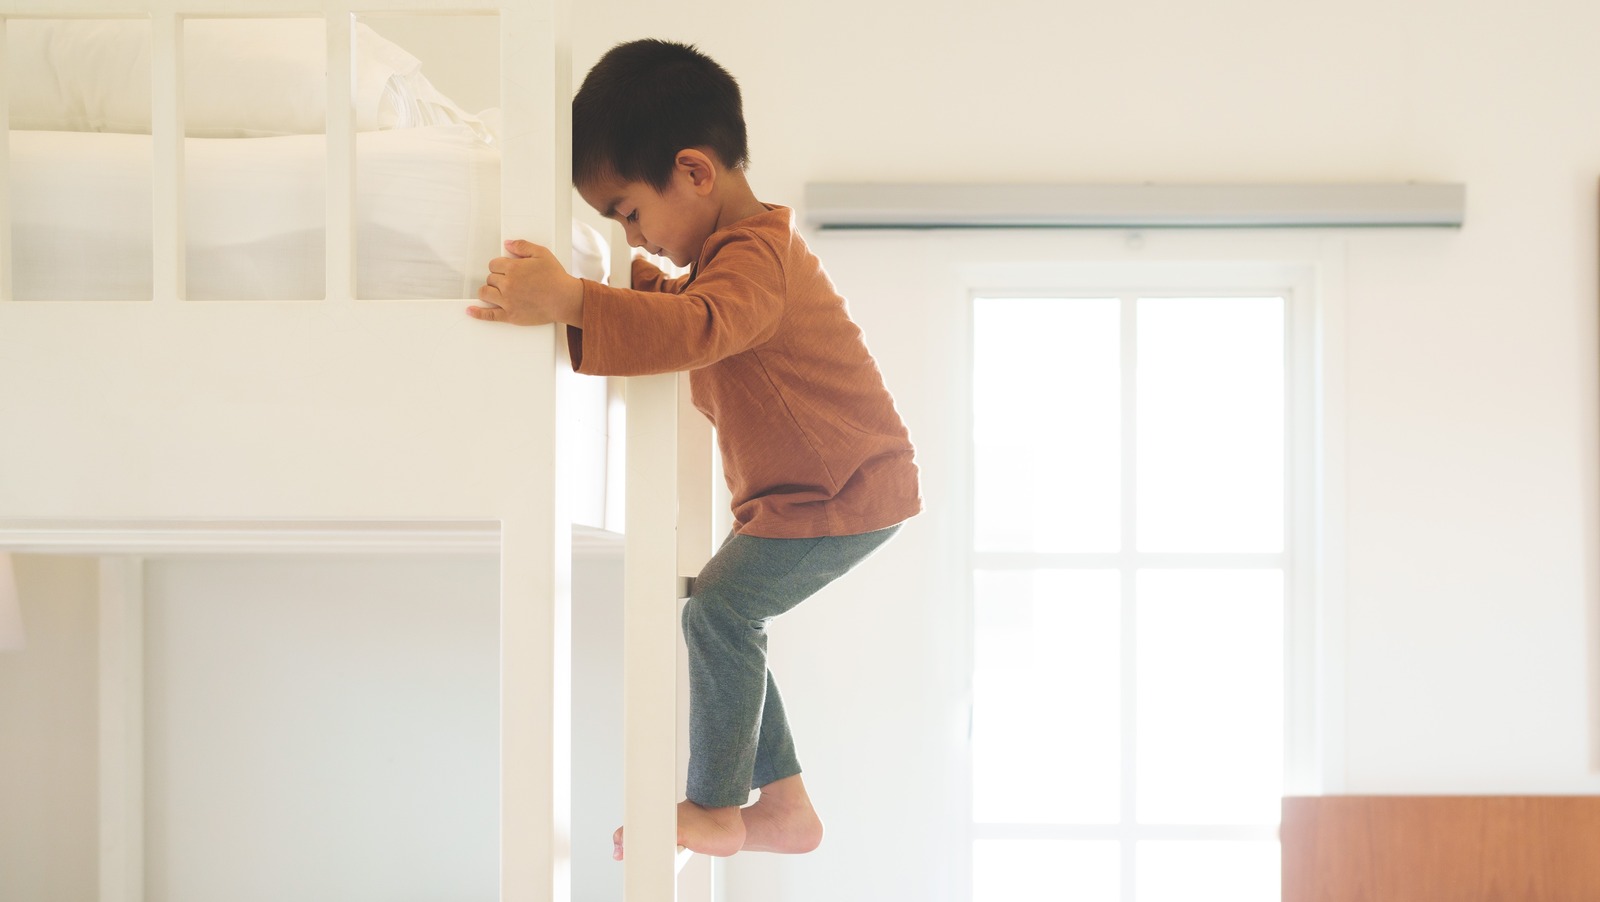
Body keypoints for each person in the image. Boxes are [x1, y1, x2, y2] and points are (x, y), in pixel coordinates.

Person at [469, 38, 921, 861]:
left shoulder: (757, 259)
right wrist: (600, 287)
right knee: (725, 617)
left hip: (842, 490)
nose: (634, 237)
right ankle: (782, 805)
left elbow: (697, 327)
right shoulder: (732, 261)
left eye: (630, 213)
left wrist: (574, 296)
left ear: (695, 172)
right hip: (815, 494)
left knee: (721, 611)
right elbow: (682, 305)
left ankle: (719, 804)